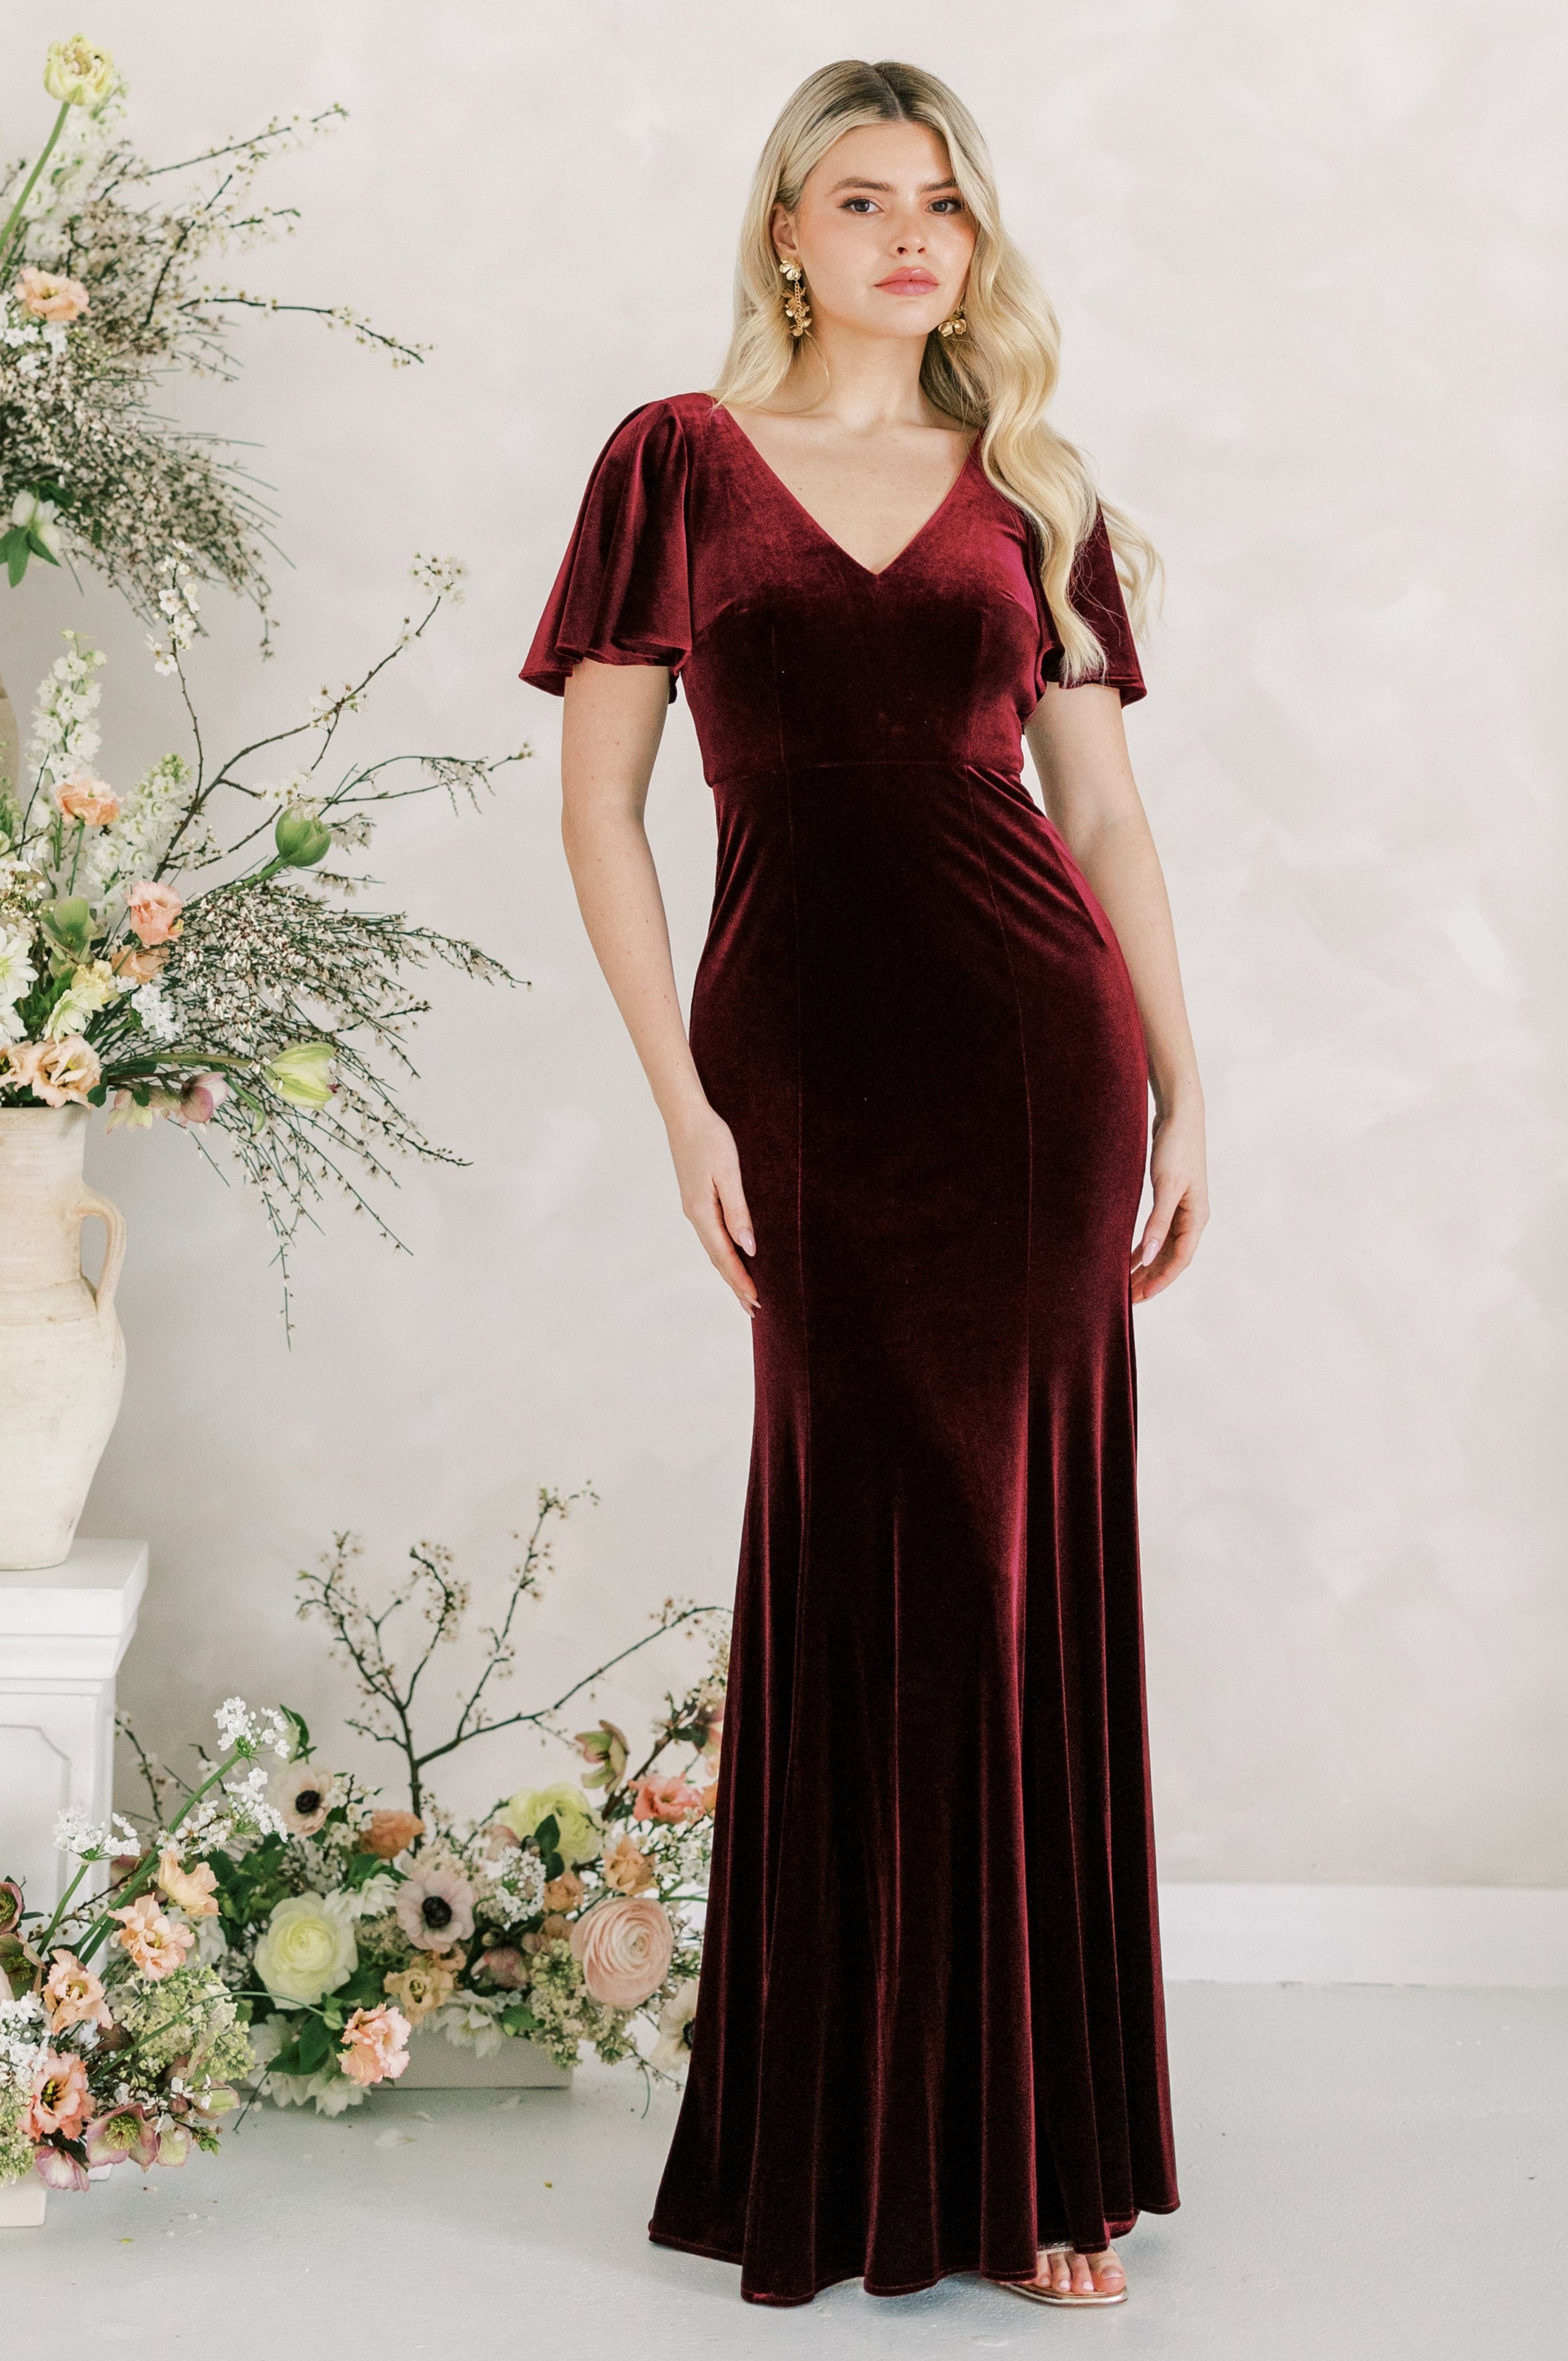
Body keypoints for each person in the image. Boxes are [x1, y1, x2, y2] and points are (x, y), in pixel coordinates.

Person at [520, 55, 1208, 2311]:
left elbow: (1098, 819)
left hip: (1035, 1061)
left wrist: (1186, 1089)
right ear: (785, 236)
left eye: (942, 203)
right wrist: (680, 1104)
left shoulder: (1028, 489)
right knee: (869, 1548)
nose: (911, 236)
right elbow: (602, 808)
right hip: (799, 1070)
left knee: (1006, 1567)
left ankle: (1031, 2150)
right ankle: (860, 2137)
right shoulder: (673, 462)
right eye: (861, 198)